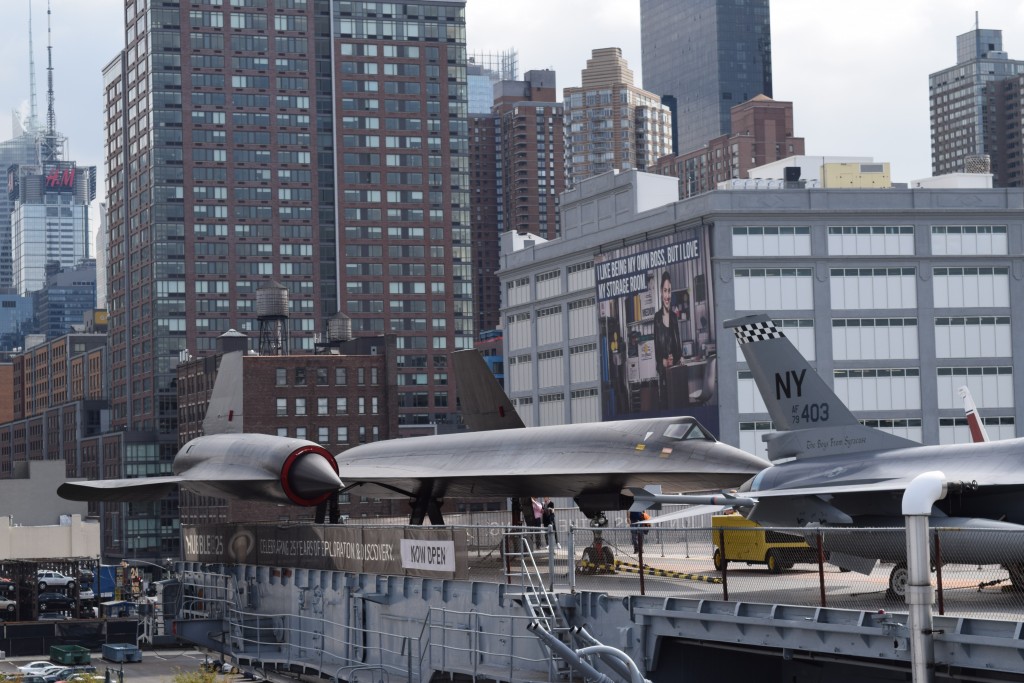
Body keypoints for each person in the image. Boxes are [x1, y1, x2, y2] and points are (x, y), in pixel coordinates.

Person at [653, 271, 682, 408]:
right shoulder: (657, 319)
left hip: (676, 373)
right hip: (664, 376)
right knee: (665, 406)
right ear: (661, 292)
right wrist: (663, 362)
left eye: (669, 291)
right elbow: (656, 350)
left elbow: (679, 349)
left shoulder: (674, 318)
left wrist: (675, 358)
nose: (667, 295)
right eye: (665, 291)